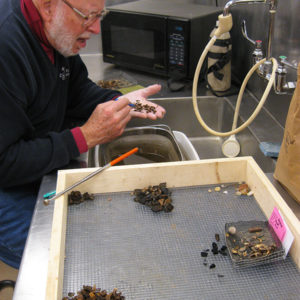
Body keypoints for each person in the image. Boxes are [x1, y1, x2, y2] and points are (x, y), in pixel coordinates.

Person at [0, 0, 166, 270]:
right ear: (47, 6)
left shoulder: (56, 34)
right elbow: (4, 163)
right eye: (87, 17)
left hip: (37, 158)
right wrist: (85, 137)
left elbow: (76, 92)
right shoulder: (7, 47)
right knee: (71, 264)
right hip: (6, 186)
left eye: (100, 15)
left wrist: (124, 101)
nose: (97, 29)